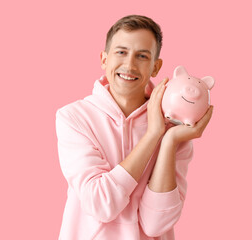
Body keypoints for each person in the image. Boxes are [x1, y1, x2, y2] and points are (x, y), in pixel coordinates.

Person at [55, 15, 213, 240]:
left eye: (142, 56)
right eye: (121, 52)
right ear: (104, 59)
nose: (129, 65)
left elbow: (156, 224)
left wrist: (168, 141)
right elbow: (101, 204)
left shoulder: (175, 130)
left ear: (156, 67)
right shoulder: (74, 117)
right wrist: (152, 135)